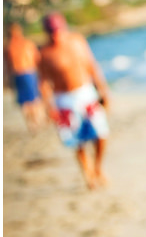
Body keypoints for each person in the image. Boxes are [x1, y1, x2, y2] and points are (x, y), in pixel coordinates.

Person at [37, 12, 111, 190]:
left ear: (63, 27)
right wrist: (49, 107)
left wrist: (103, 90)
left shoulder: (77, 41)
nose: (56, 34)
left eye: (57, 30)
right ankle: (88, 173)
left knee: (101, 134)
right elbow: (43, 82)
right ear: (47, 32)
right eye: (51, 31)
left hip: (86, 93)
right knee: (78, 141)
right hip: (63, 99)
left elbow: (91, 65)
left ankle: (98, 168)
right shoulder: (44, 53)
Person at [4, 22, 44, 131]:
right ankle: (32, 122)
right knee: (25, 101)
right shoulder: (9, 47)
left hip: (29, 73)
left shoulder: (25, 44)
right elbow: (7, 66)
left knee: (34, 99)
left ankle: (37, 120)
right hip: (19, 74)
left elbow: (37, 59)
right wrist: (8, 80)